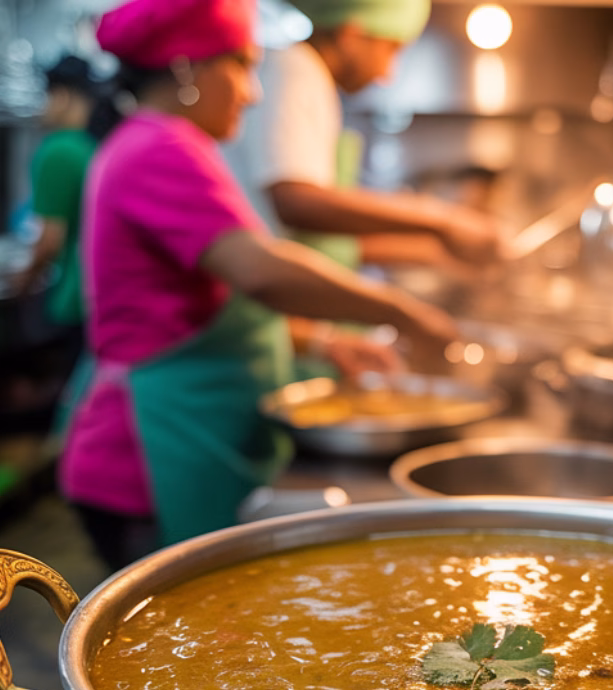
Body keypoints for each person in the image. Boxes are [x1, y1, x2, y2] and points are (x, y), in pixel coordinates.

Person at [59, 0, 457, 571]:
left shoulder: (169, 144)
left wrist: (324, 343)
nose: (254, 91)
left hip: (179, 441)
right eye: (241, 67)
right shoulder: (158, 148)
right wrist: (405, 309)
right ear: (186, 70)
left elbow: (209, 299)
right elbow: (260, 272)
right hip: (147, 456)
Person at [227, 0, 507, 272]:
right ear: (351, 35)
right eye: (391, 50)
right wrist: (443, 220)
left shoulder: (309, 76)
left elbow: (324, 229)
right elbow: (296, 202)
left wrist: (437, 242)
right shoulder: (294, 70)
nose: (387, 74)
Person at [15, 55, 101, 331]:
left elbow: (50, 240)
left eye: (46, 97)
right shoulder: (96, 145)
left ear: (61, 96)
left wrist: (21, 282)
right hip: (102, 294)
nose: (44, 108)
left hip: (75, 297)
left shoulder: (59, 151)